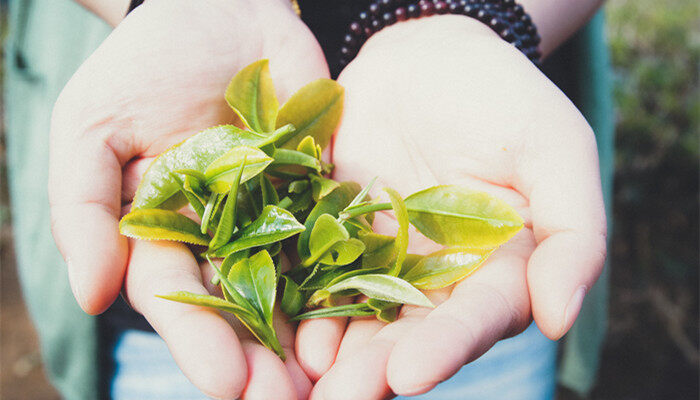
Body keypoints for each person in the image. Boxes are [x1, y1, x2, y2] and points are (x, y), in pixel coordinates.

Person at [4, 0, 614, 398]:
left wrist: (464, 11)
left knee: (435, 354)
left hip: (474, 175)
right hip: (185, 303)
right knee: (218, 362)